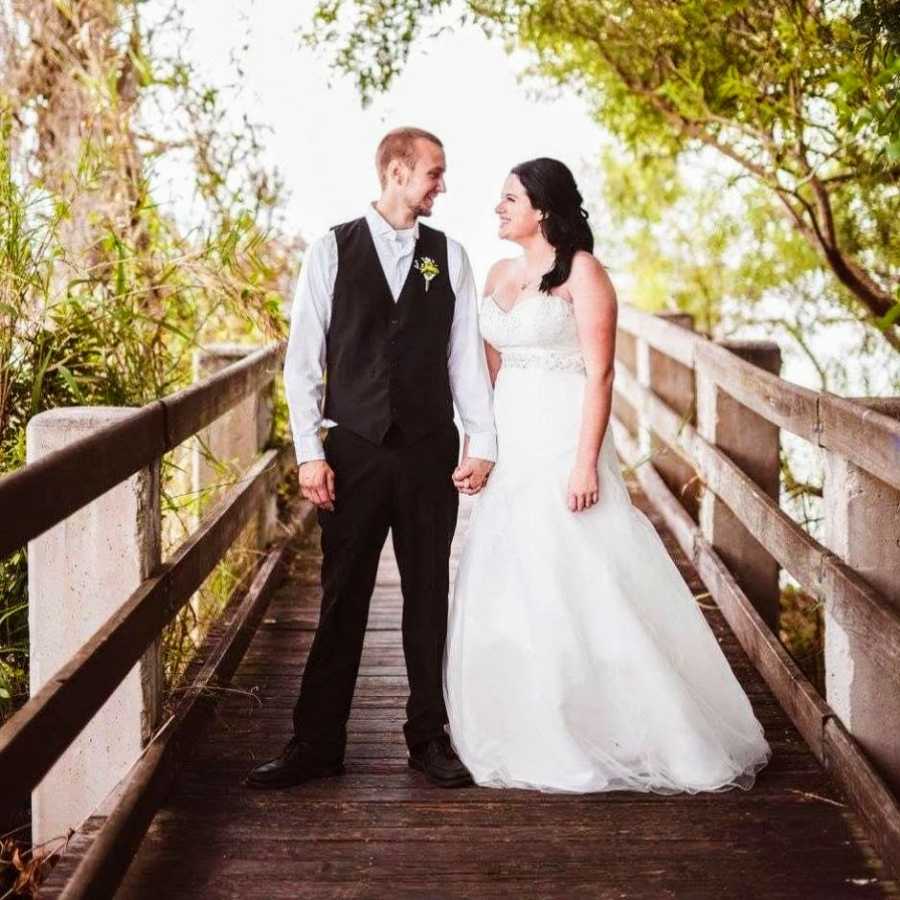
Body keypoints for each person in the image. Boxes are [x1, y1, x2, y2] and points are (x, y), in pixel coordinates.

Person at [443, 157, 772, 793]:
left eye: (509, 198)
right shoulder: (498, 274)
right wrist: (477, 446)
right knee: (509, 570)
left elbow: (599, 374)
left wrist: (585, 462)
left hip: (564, 435)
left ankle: (621, 724)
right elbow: (485, 374)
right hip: (509, 437)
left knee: (579, 567)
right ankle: (521, 718)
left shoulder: (585, 274)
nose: (499, 209)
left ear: (542, 208)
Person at [246, 127, 495, 790]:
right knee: (341, 598)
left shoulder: (452, 256)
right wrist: (308, 454)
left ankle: (429, 737)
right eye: (434, 174)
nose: (442, 185)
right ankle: (316, 743)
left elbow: (464, 358)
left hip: (427, 452)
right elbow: (302, 363)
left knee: (427, 597)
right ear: (396, 172)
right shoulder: (331, 249)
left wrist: (483, 441)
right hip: (352, 452)